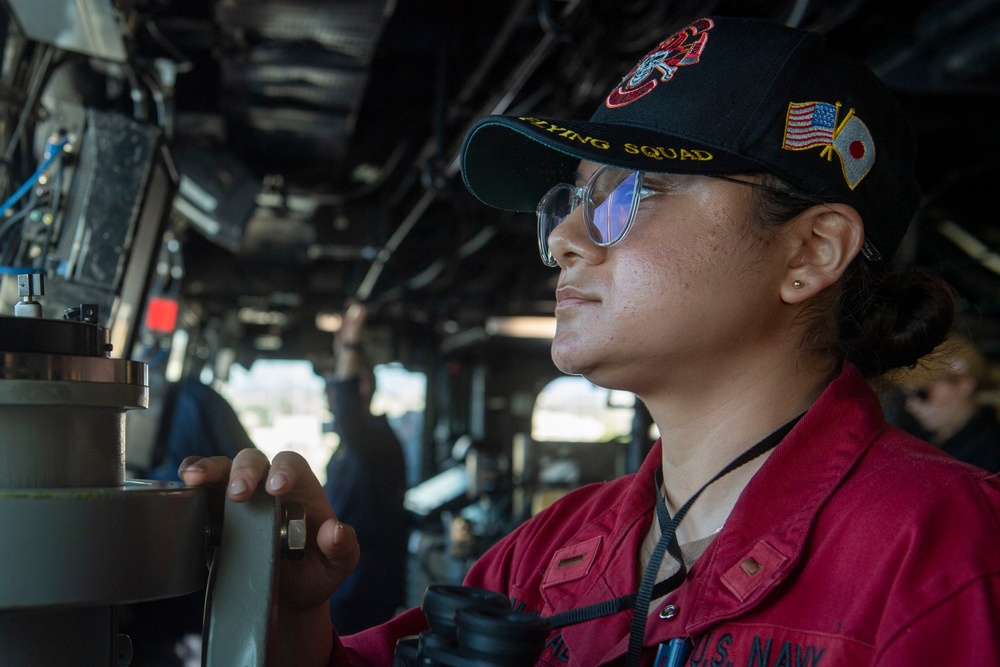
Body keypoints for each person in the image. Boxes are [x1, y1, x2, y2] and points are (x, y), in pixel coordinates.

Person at [179, 16, 1000, 666]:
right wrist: (288, 625)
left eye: (626, 193)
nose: (566, 237)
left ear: (809, 251)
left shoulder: (949, 555)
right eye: (567, 204)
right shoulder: (543, 555)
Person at [320, 300, 409, 634]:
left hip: (365, 588)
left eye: (338, 382)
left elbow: (346, 411)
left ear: (365, 386)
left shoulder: (375, 439)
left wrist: (351, 343)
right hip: (350, 582)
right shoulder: (356, 444)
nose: (330, 391)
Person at [896, 333, 1000, 472]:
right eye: (907, 396)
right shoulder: (919, 438)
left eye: (923, 394)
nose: (911, 405)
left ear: (964, 383)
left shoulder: (991, 450)